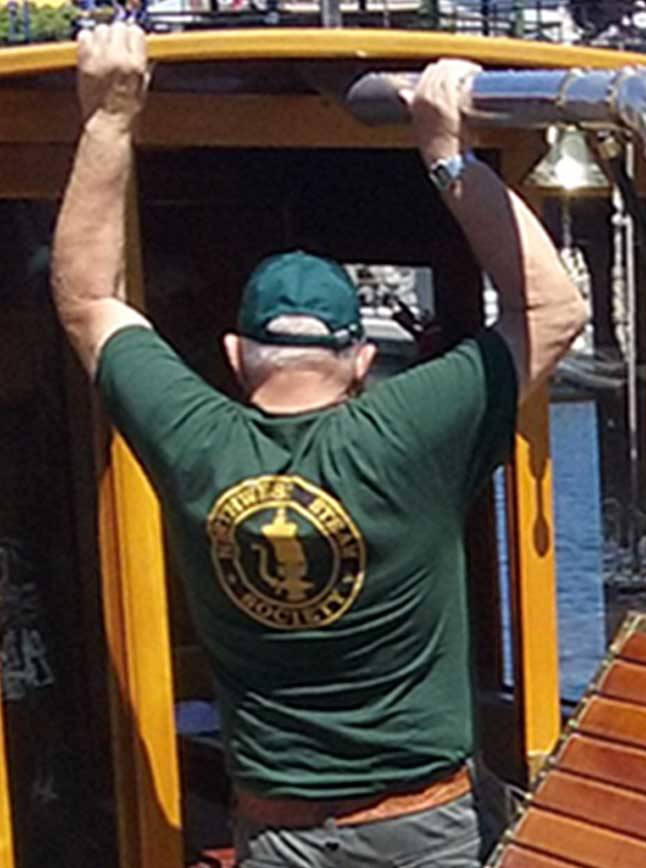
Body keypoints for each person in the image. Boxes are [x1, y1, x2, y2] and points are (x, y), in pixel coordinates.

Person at [51, 22, 587, 868]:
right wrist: (448, 154)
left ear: (235, 356)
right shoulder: (410, 429)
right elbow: (555, 312)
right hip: (427, 833)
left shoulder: (195, 438)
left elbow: (86, 297)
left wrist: (110, 118)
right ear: (361, 358)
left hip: (281, 836)